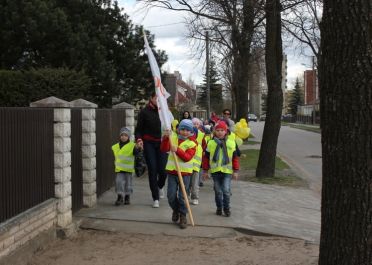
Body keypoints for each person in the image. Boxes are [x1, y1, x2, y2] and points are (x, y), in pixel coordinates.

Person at [160, 119, 197, 229]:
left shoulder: (192, 143)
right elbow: (163, 149)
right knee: (170, 196)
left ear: (191, 132)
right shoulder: (173, 138)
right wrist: (166, 138)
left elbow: (187, 158)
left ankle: (183, 215)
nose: (184, 132)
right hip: (172, 172)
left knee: (182, 197)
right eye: (182, 129)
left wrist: (177, 150)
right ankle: (176, 210)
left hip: (185, 174)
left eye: (187, 130)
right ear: (179, 129)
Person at [135, 92, 168, 208]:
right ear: (151, 98)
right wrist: (139, 139)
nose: (158, 100)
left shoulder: (164, 112)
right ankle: (155, 197)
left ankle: (160, 186)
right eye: (156, 98)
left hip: (162, 143)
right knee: (153, 169)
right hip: (149, 143)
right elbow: (138, 129)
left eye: (161, 99)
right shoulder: (144, 112)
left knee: (163, 170)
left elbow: (171, 126)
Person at [202, 121, 239, 217]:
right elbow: (206, 158)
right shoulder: (210, 143)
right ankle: (219, 207)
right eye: (217, 130)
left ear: (226, 131)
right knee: (218, 191)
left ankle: (226, 208)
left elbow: (234, 158)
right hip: (215, 171)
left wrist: (235, 171)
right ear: (214, 132)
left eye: (222, 130)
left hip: (227, 171)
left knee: (226, 191)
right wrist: (205, 171)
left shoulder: (231, 143)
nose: (219, 132)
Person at [112, 127, 143, 206]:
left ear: (128, 137)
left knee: (128, 184)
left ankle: (127, 196)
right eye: (122, 135)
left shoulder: (132, 146)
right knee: (118, 182)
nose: (123, 137)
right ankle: (119, 197)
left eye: (125, 135)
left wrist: (139, 148)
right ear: (120, 136)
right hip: (119, 169)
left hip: (128, 170)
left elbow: (136, 152)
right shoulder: (115, 146)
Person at [189, 117, 206, 204]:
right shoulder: (186, 138)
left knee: (195, 182)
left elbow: (204, 146)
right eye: (193, 124)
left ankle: (195, 197)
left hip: (196, 165)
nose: (195, 125)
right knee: (186, 182)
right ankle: (185, 195)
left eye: (197, 124)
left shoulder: (201, 135)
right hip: (186, 165)